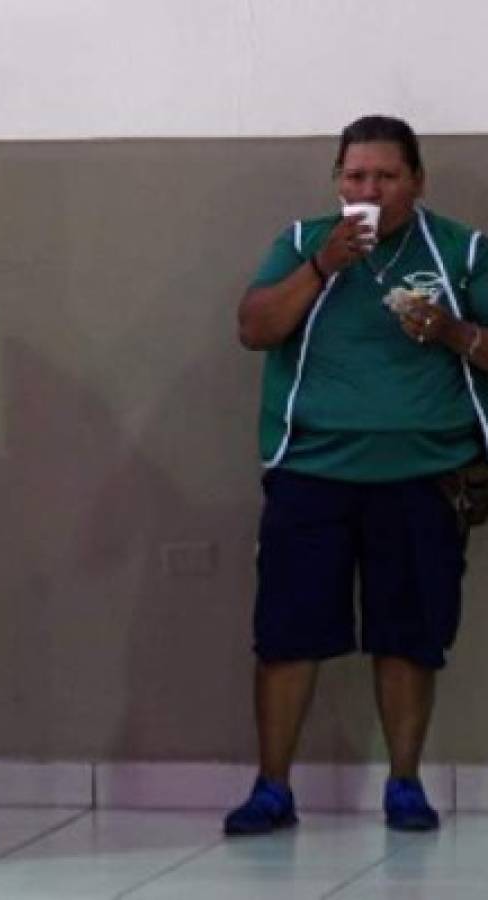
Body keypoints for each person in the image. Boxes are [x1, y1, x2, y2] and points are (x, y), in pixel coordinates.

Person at [227, 115, 488, 836]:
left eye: (385, 177)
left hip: (424, 475)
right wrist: (321, 268)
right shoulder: (304, 242)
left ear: (416, 182)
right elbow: (253, 328)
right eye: (354, 177)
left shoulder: (461, 250)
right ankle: (272, 789)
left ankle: (404, 785)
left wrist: (453, 332)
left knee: (409, 636)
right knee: (286, 633)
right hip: (311, 471)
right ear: (337, 180)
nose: (367, 190)